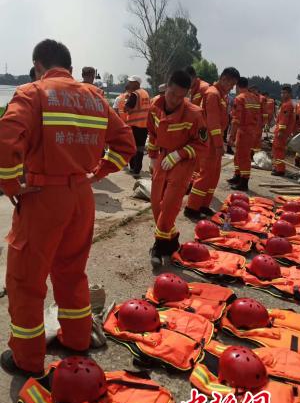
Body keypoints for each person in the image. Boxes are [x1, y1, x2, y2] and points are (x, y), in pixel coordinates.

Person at [0, 39, 136, 376]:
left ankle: (27, 359)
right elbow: (126, 144)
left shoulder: (33, 93)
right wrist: (97, 172)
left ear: (38, 66)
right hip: (81, 198)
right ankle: (77, 340)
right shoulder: (95, 97)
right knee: (72, 273)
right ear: (71, 68)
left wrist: (10, 186)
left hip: (43, 198)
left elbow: (5, 142)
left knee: (26, 281)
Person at [147, 70, 205, 267]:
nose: (175, 100)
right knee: (156, 203)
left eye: (181, 96)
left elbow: (201, 144)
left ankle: (158, 245)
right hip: (162, 158)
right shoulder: (155, 106)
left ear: (186, 95)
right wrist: (153, 157)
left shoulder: (194, 114)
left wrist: (179, 154)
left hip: (182, 160)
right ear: (165, 88)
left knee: (169, 204)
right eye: (172, 94)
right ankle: (171, 241)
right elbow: (152, 133)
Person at [184, 67, 240, 220]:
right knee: (205, 175)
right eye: (231, 84)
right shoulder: (212, 94)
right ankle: (191, 208)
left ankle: (203, 205)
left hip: (213, 141)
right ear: (224, 79)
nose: (232, 88)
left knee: (213, 175)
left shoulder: (221, 96)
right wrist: (218, 144)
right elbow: (213, 123)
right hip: (209, 142)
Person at [227, 77, 260, 191]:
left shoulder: (240, 98)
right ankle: (238, 176)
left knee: (243, 157)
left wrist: (231, 136)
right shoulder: (255, 98)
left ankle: (244, 181)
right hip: (251, 130)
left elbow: (236, 120)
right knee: (239, 155)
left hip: (243, 130)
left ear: (237, 86)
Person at [125, 75, 151, 177]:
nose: (129, 84)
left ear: (136, 84)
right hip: (144, 126)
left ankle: (132, 167)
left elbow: (128, 108)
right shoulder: (145, 93)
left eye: (131, 82)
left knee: (132, 147)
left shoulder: (135, 94)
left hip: (134, 125)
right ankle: (137, 170)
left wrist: (126, 105)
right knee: (140, 148)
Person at [271, 85, 295, 176]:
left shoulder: (287, 105)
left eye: (284, 93)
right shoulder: (287, 104)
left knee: (279, 149)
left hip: (282, 132)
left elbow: (284, 119)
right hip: (282, 130)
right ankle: (277, 167)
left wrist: (281, 131)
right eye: (282, 93)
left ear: (289, 94)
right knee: (276, 149)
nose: (282, 95)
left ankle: (280, 170)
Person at [295, 95, 300, 167]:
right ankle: (297, 160)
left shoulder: (298, 106)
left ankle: (297, 159)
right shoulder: (298, 105)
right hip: (299, 128)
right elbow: (296, 117)